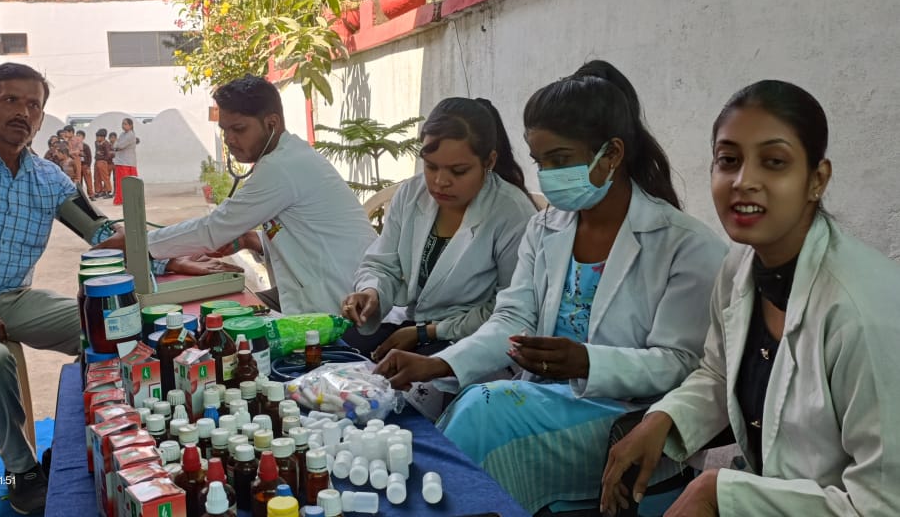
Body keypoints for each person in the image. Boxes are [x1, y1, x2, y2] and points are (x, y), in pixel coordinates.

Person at [374, 60, 727, 513]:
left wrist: (587, 361)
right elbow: (512, 320)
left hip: (626, 418)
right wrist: (438, 363)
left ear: (612, 154)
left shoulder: (684, 245)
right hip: (540, 399)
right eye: (541, 161)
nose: (548, 175)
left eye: (561, 160)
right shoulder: (546, 228)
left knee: (486, 413)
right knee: (476, 410)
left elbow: (681, 364)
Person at [0, 62, 235, 514]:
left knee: (117, 326)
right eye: (11, 100)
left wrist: (166, 256)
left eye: (33, 104)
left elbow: (101, 234)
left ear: (41, 116)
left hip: (11, 299)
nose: (23, 112)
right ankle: (22, 469)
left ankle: (92, 440)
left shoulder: (50, 179)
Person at [601, 81, 900, 516]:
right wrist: (663, 419)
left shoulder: (861, 311)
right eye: (728, 160)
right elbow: (720, 372)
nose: (744, 182)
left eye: (774, 162)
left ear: (817, 179)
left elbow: (883, 505)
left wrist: (720, 493)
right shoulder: (742, 264)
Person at [112, 75, 376, 314]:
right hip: (319, 290)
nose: (229, 139)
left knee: (221, 330)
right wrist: (252, 240)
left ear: (272, 123)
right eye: (224, 130)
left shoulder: (282, 167)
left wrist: (139, 245)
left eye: (238, 129)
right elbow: (308, 235)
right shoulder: (288, 157)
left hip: (344, 305)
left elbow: (212, 230)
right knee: (222, 316)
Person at [341, 97, 538, 360]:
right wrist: (371, 293)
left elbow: (510, 310)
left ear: (489, 161)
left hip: (472, 339)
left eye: (458, 171)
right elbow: (382, 264)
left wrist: (428, 332)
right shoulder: (411, 194)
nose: (440, 181)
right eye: (431, 166)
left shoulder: (511, 213)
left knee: (411, 388)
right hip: (410, 325)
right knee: (336, 358)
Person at [111, 117, 140, 205]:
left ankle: (129, 199)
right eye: (122, 124)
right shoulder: (122, 134)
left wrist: (116, 144)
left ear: (131, 126)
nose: (123, 126)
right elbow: (116, 146)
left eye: (125, 124)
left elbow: (119, 146)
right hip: (121, 162)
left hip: (127, 163)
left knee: (127, 183)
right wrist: (116, 145)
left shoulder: (130, 135)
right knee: (120, 183)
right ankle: (121, 200)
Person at [93, 128, 114, 199]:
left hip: (103, 161)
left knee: (105, 177)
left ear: (103, 137)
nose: (97, 138)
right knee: (97, 177)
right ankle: (99, 191)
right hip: (97, 161)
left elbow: (108, 154)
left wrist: (104, 160)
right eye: (96, 136)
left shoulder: (106, 144)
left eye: (98, 137)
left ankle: (109, 191)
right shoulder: (96, 142)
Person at [77, 129, 94, 200]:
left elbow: (89, 157)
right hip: (78, 166)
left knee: (88, 181)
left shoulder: (86, 146)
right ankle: (80, 196)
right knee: (79, 181)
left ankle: (91, 195)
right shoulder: (74, 146)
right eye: (77, 135)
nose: (78, 137)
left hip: (85, 165)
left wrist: (88, 167)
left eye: (79, 136)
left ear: (83, 137)